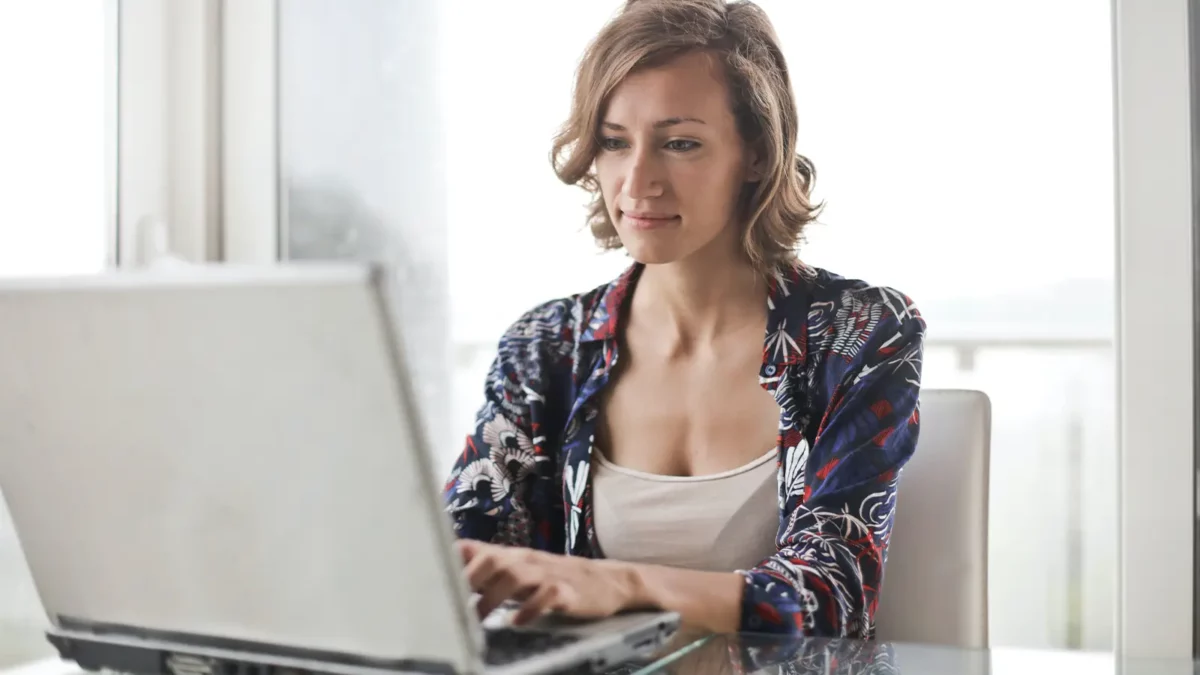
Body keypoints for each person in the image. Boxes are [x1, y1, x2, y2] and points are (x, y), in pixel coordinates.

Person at [443, 0, 925, 639]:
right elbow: (457, 563)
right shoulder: (546, 348)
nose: (637, 181)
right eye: (614, 142)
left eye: (680, 143)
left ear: (755, 154)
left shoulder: (859, 333)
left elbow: (834, 596)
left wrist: (623, 583)